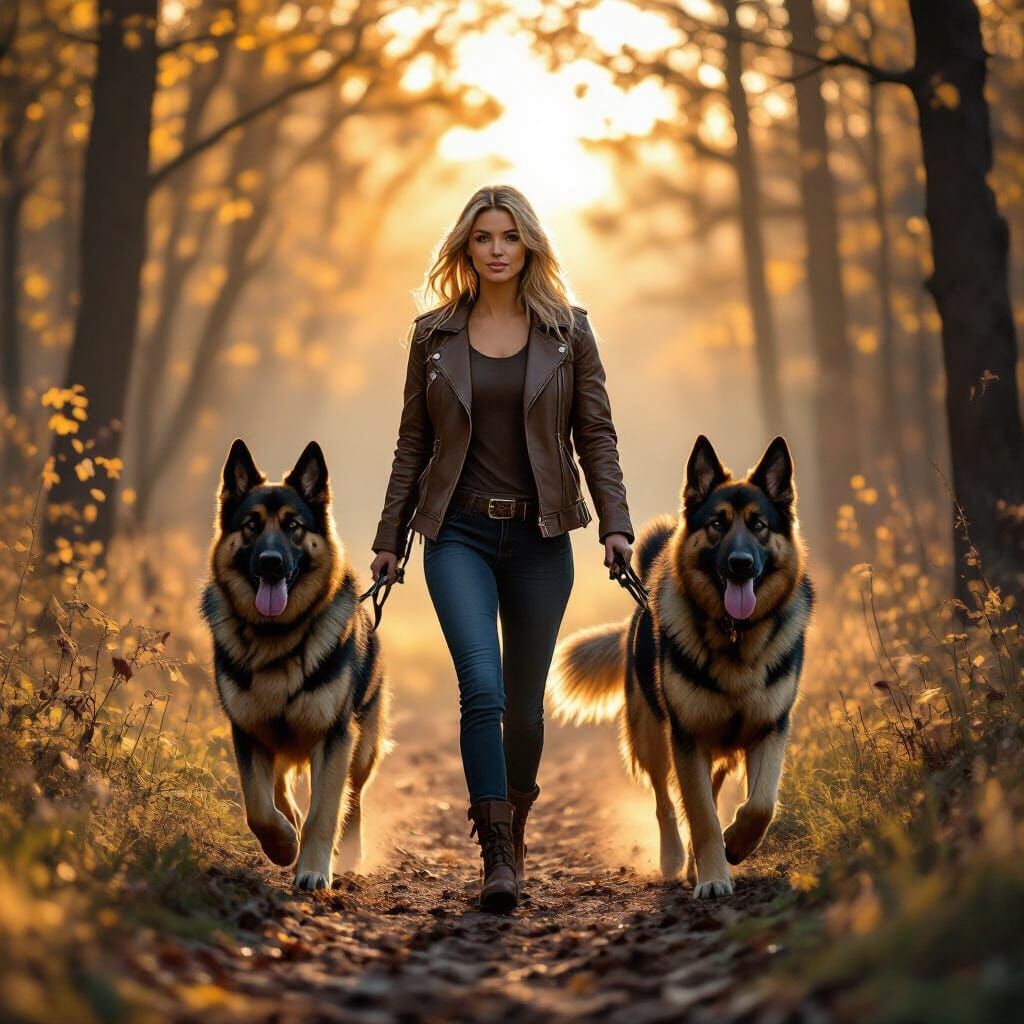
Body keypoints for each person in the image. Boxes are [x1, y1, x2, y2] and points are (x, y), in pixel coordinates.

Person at [370, 184, 634, 911]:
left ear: (529, 247)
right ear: (465, 246)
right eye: (483, 236)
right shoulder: (433, 336)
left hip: (541, 538)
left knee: (523, 708)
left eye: (508, 237)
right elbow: (411, 444)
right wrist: (388, 540)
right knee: (480, 690)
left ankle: (515, 825)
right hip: (456, 533)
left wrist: (616, 525)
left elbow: (597, 436)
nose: (495, 249)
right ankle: (495, 853)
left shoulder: (569, 332)